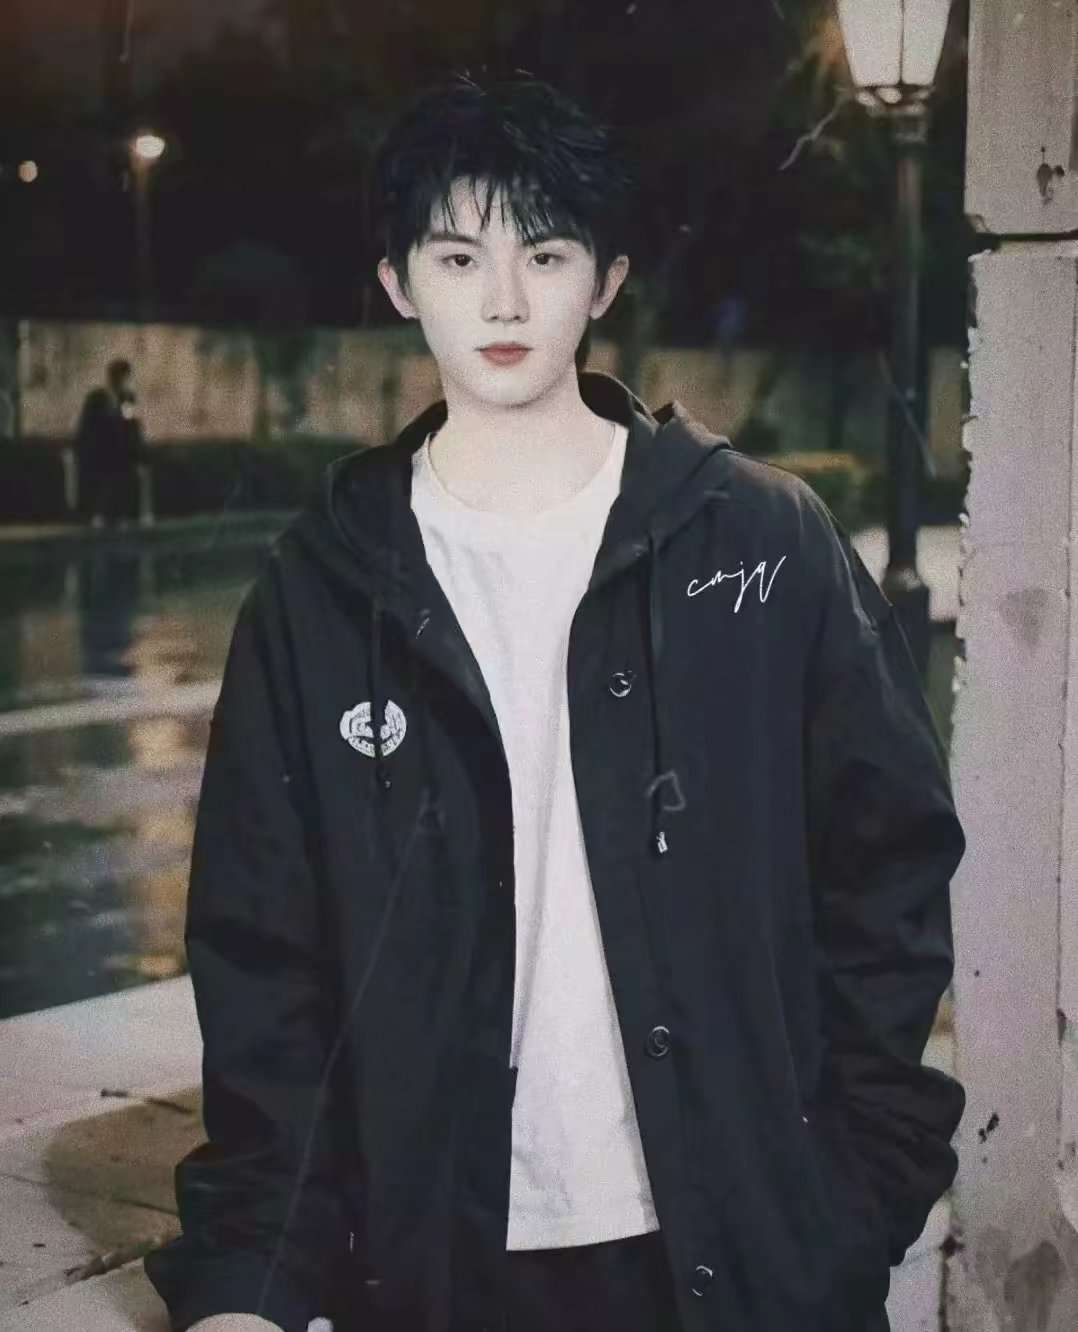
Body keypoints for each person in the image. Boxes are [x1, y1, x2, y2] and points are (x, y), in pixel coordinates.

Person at [143, 72, 966, 1332]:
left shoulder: (758, 537)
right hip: (435, 1265)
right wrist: (251, 1282)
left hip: (739, 1257)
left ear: (607, 280)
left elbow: (891, 870)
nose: (505, 301)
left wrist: (848, 1200)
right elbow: (262, 962)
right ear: (397, 283)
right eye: (458, 257)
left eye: (545, 253)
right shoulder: (322, 589)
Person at [73, 357, 144, 527]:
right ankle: (96, 517)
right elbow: (87, 426)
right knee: (100, 487)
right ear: (111, 376)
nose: (122, 381)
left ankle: (118, 517)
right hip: (100, 452)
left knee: (119, 487)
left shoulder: (127, 398)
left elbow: (130, 424)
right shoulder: (96, 398)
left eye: (125, 377)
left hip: (119, 453)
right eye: (119, 376)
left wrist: (135, 446)